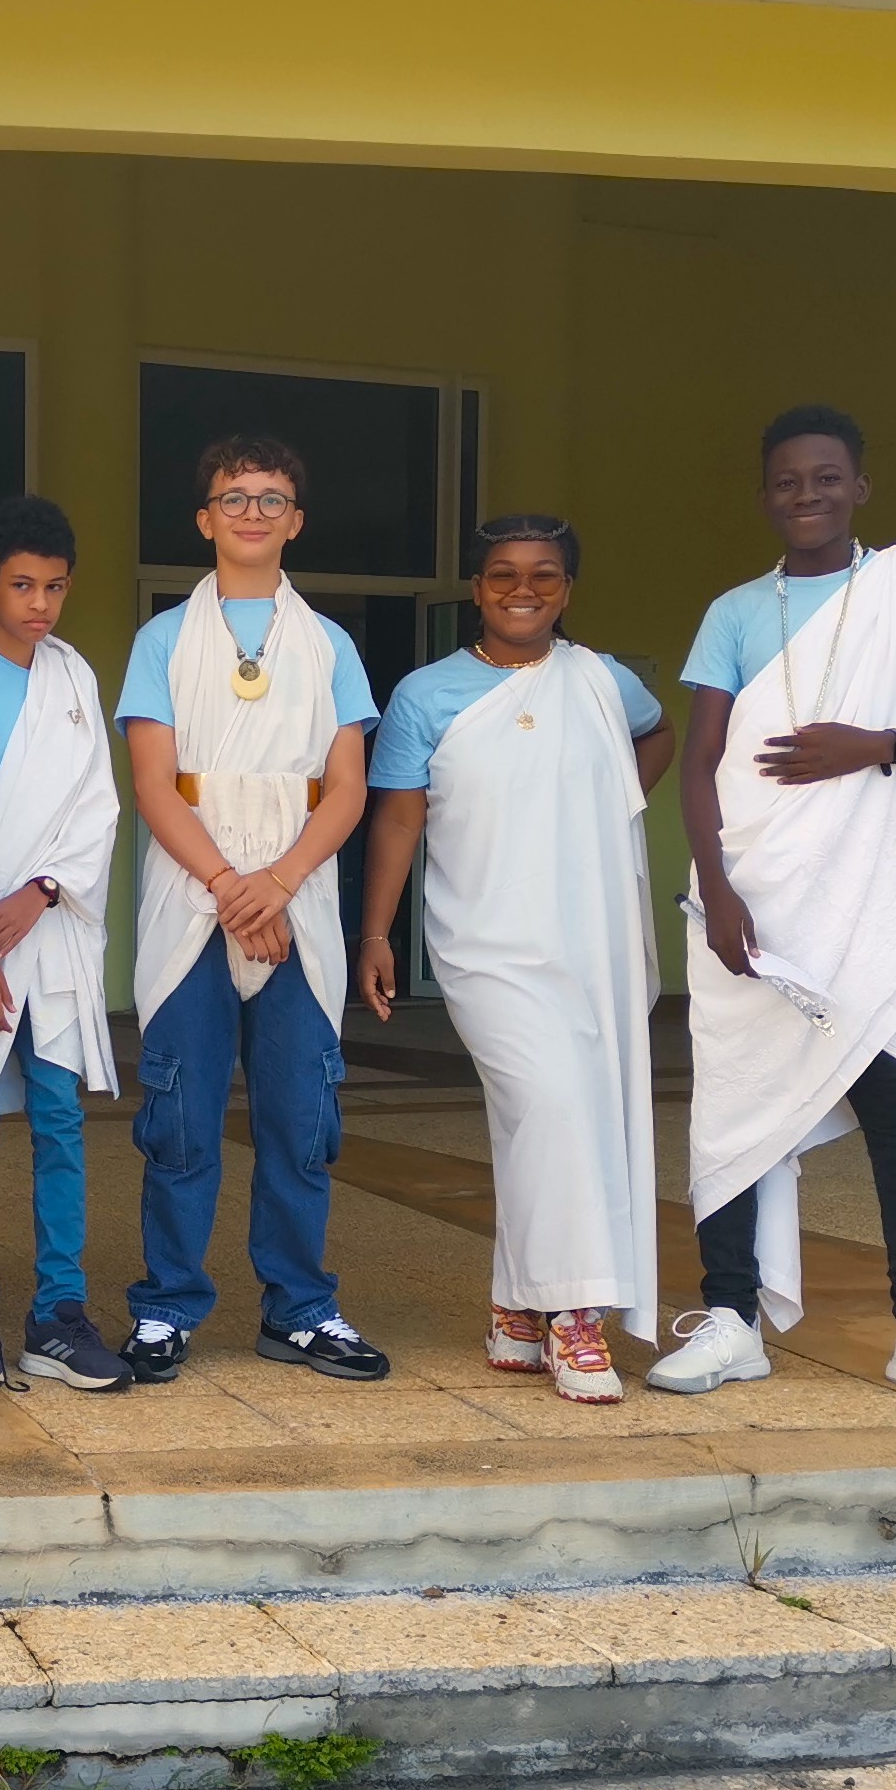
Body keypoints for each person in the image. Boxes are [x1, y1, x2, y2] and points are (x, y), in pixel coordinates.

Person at [648, 405, 896, 1413]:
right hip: (752, 900)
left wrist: (875, 746)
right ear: (764, 495)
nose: (804, 494)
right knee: (733, 1106)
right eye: (785, 480)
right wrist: (715, 890)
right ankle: (730, 1320)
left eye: (823, 477)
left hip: (863, 902)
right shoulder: (734, 612)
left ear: (859, 487)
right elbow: (703, 764)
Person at [357, 516, 674, 1404]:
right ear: (476, 588)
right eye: (502, 573)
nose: (522, 589)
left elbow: (657, 735)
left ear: (566, 589)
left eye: (543, 574)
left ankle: (515, 1310)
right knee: (553, 1102)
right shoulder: (425, 693)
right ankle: (576, 1314)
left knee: (550, 1119)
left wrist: (607, 801)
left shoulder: (602, 681)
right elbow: (398, 816)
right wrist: (374, 933)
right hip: (483, 937)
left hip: (586, 933)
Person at [116, 435, 384, 1385]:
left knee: (300, 1117)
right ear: (205, 518)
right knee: (181, 1116)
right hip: (194, 892)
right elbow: (153, 783)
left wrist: (277, 881)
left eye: (272, 498)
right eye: (234, 497)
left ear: (295, 520)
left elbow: (347, 787)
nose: (252, 513)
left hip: (295, 893)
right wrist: (233, 886)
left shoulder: (330, 644)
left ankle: (300, 1309)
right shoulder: (162, 640)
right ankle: (165, 1307)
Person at [0, 495, 128, 1392]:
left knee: (58, 1121)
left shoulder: (73, 677)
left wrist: (42, 890)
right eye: (21, 585)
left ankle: (57, 1312)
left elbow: (96, 807)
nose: (39, 603)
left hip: (46, 929)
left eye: (53, 587)